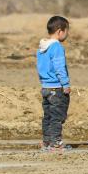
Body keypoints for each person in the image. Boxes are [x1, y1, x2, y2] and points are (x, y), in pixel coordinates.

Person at [37, 15, 72, 152]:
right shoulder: (56, 47)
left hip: (45, 87)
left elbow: (40, 68)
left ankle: (46, 142)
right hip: (57, 88)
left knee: (48, 116)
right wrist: (66, 84)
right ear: (60, 31)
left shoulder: (41, 48)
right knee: (57, 117)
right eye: (67, 31)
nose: (67, 34)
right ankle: (56, 144)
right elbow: (59, 68)